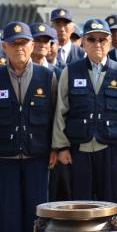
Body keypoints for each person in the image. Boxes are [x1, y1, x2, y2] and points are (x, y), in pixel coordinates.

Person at [52, 18, 117, 202]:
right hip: (79, 148)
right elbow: (61, 111)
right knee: (81, 203)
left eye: (102, 39)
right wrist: (62, 146)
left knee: (109, 203)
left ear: (110, 42)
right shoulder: (70, 71)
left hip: (110, 147)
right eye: (92, 39)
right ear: (82, 42)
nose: (97, 43)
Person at [0, 22, 57, 232]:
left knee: (38, 216)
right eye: (13, 44)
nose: (19, 48)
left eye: (23, 43)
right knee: (8, 217)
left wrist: (55, 147)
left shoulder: (47, 76)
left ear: (32, 45)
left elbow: (55, 115)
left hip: (38, 157)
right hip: (5, 159)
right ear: (4, 47)